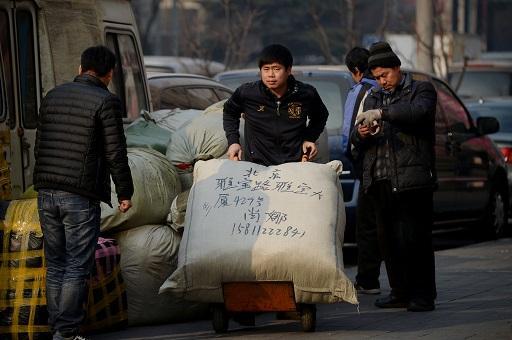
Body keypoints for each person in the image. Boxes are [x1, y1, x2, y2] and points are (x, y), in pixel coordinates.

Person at [33, 45, 134, 340]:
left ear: (80, 68)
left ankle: (58, 329)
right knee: (77, 263)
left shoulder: (53, 96)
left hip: (46, 190)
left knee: (56, 262)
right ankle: (65, 332)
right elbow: (116, 152)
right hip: (80, 193)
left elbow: (40, 146)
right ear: (110, 74)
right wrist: (125, 192)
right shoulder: (107, 101)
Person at [350, 41, 437, 312]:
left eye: (385, 75)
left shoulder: (420, 89)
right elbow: (355, 136)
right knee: (388, 242)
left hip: (412, 180)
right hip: (380, 180)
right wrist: (362, 133)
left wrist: (383, 114)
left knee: (416, 240)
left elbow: (417, 113)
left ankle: (422, 295)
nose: (381, 81)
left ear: (397, 68)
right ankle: (399, 291)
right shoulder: (373, 96)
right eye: (376, 77)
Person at [223, 44, 329, 166]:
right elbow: (229, 112)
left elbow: (320, 116)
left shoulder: (305, 93)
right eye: (266, 69)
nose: (270, 75)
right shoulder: (248, 93)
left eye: (276, 69)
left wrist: (309, 138)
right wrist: (233, 142)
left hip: (295, 165)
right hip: (257, 166)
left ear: (288, 70)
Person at [343, 47, 381, 295]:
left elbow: (349, 133)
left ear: (355, 71)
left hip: (369, 166)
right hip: (393, 167)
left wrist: (351, 158)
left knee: (367, 226)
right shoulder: (385, 87)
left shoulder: (360, 91)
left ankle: (368, 280)